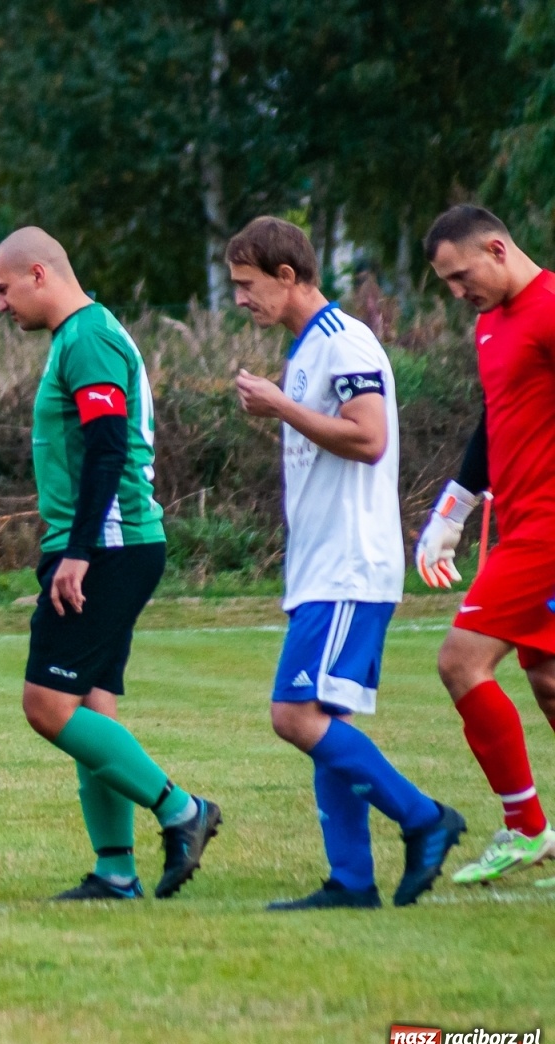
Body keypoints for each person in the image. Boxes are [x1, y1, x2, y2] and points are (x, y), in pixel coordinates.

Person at [229, 216, 464, 909]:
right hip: (321, 568)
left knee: (294, 715)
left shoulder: (344, 340)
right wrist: (282, 402)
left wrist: (279, 406)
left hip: (349, 566)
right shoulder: (304, 349)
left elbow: (367, 437)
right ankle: (351, 881)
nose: (241, 300)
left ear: (287, 275)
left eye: (248, 285)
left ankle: (425, 819)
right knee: (325, 719)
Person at [0, 225, 220, 902]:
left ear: (39, 274)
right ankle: (116, 871)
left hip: (108, 547)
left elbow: (108, 447)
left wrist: (79, 552)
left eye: (4, 291)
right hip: (110, 545)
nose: (1, 307)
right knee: (92, 705)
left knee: (46, 704)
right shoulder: (80, 335)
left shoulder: (87, 336)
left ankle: (183, 811)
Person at [418, 204, 555, 886]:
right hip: (518, 526)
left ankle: (524, 826)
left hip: (548, 533)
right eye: (446, 281)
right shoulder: (489, 326)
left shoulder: (551, 307)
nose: (456, 291)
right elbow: (495, 418)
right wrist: (457, 505)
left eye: (461, 275)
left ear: (498, 249)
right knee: (549, 683)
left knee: (461, 662)